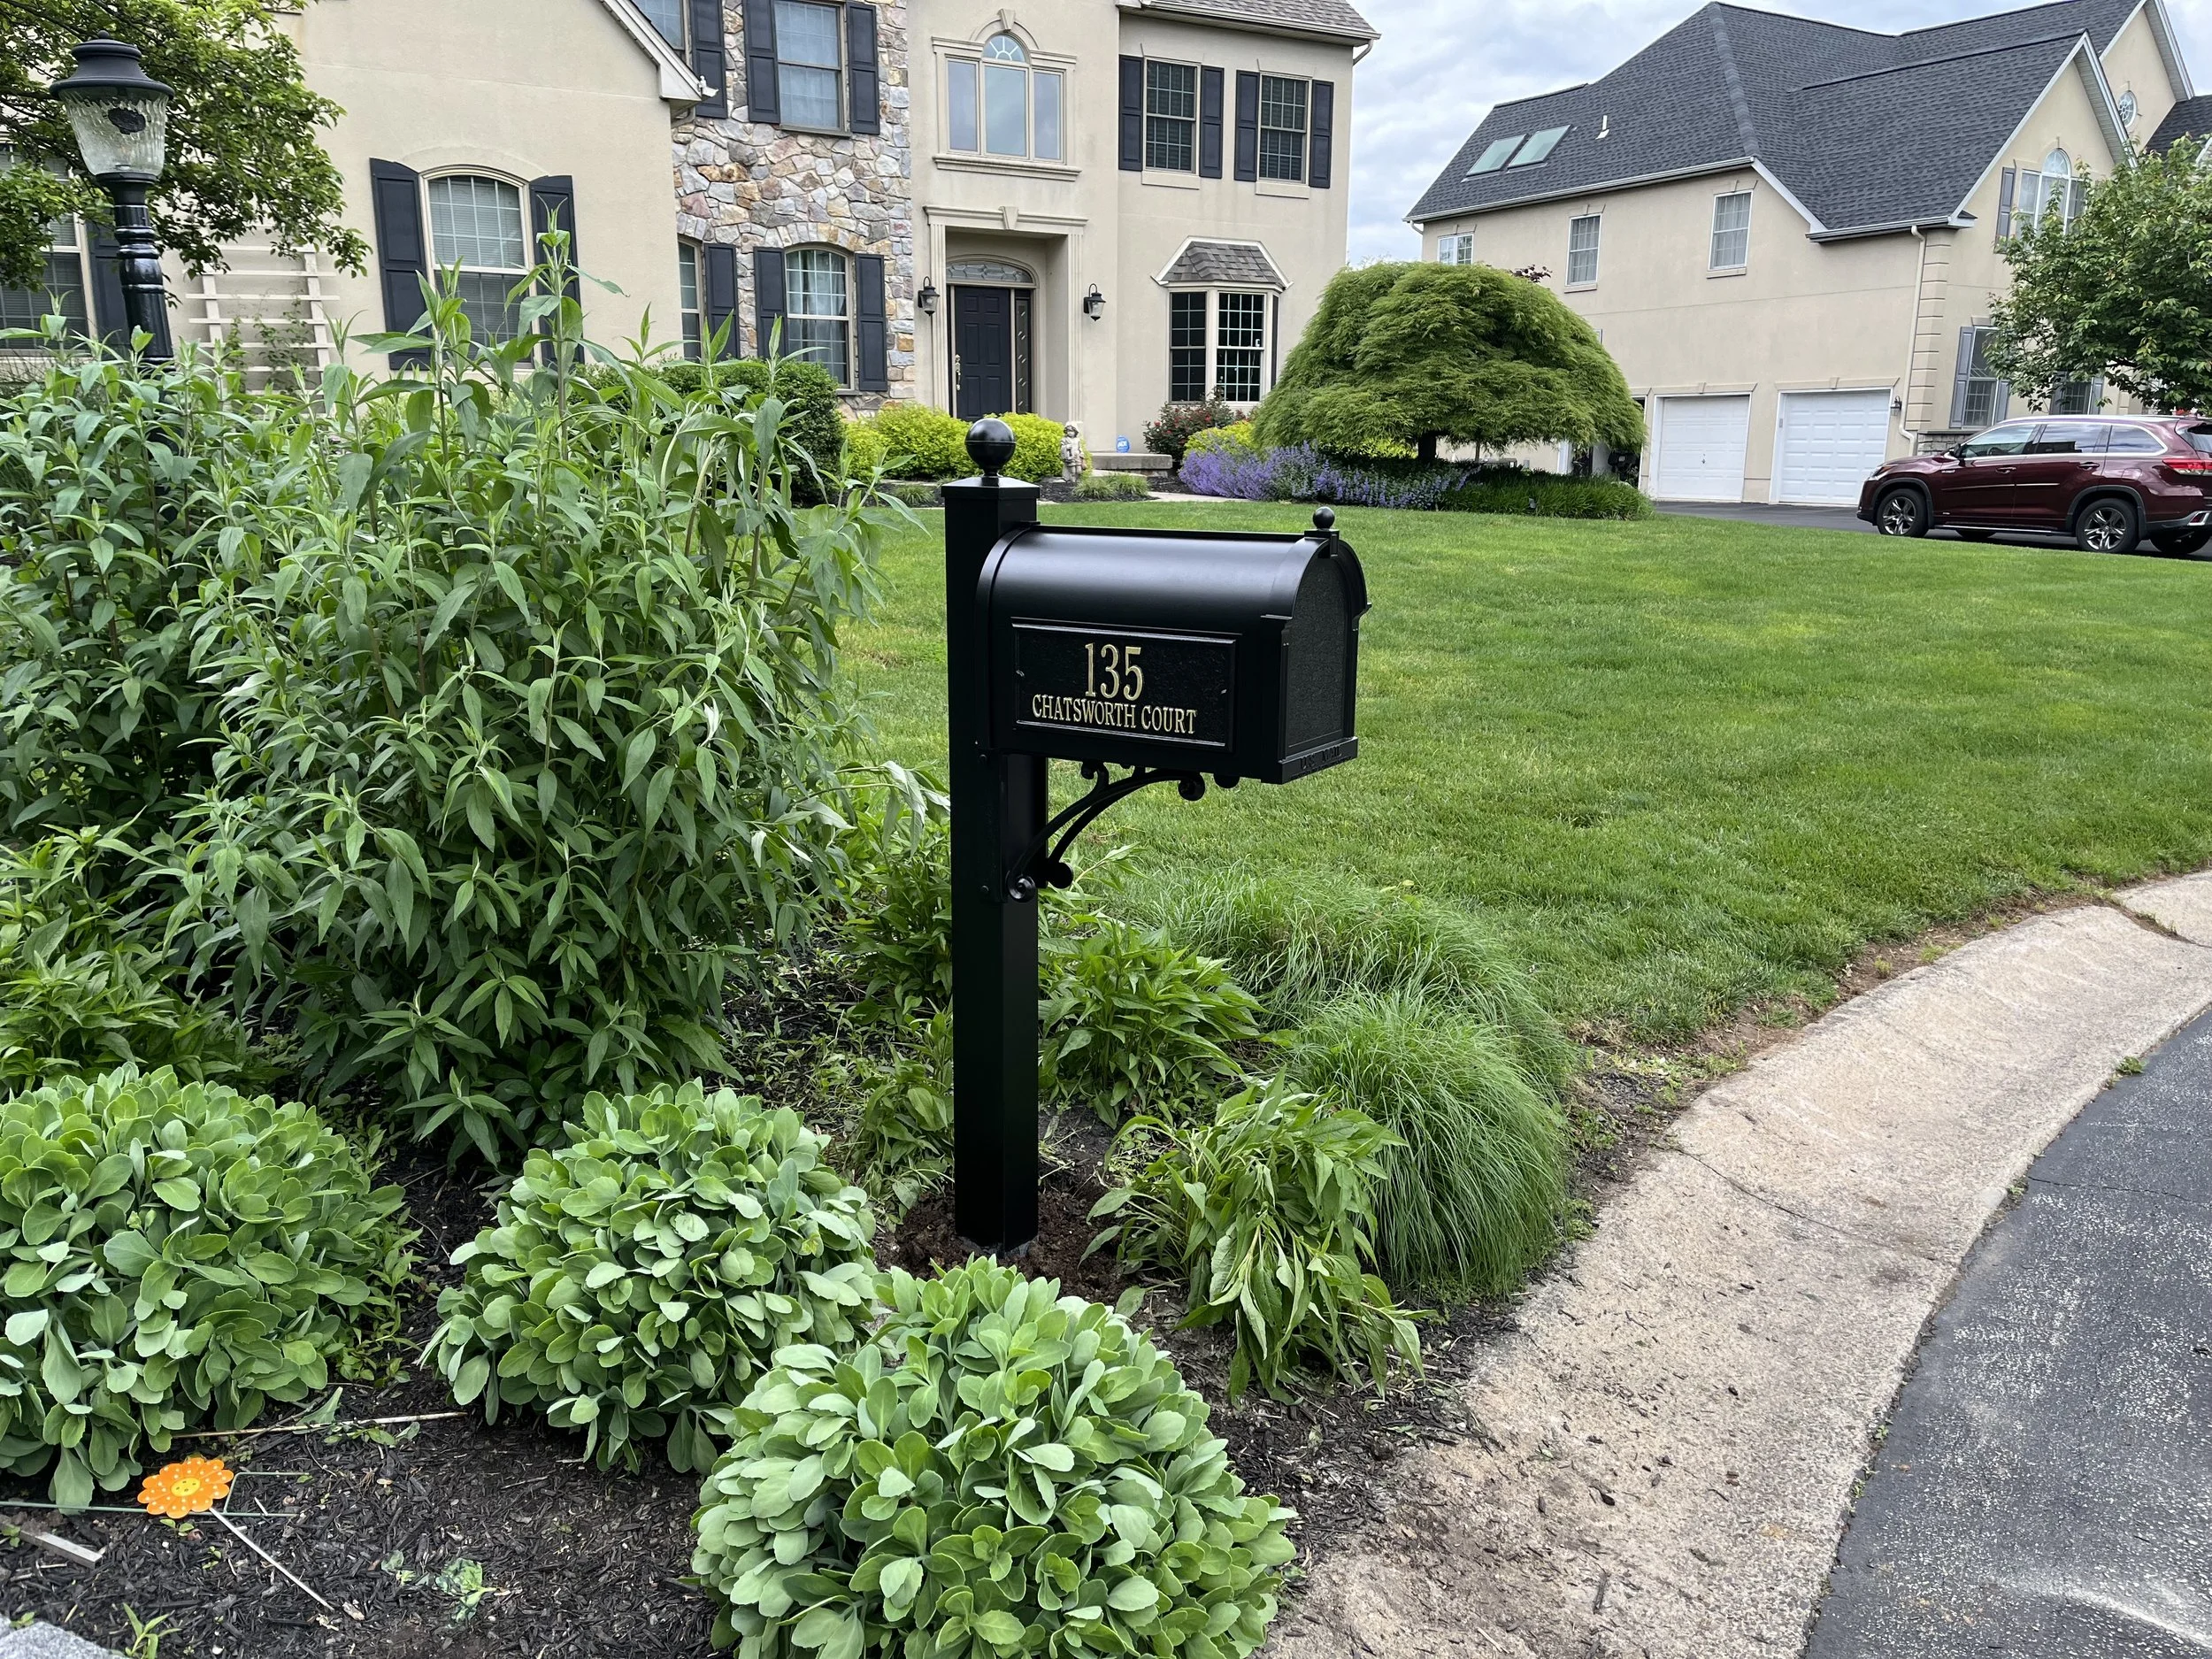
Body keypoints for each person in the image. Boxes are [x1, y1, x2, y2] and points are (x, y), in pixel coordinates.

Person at [1060, 423, 1085, 487]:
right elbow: (1062, 448)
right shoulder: (1064, 439)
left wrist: (1082, 453)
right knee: (1073, 472)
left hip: (1078, 457)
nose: (1070, 433)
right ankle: (1073, 484)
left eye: (1072, 431)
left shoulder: (1077, 440)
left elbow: (1080, 447)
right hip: (1070, 457)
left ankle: (1079, 483)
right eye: (1068, 431)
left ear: (1075, 431)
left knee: (1079, 471)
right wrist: (1066, 447)